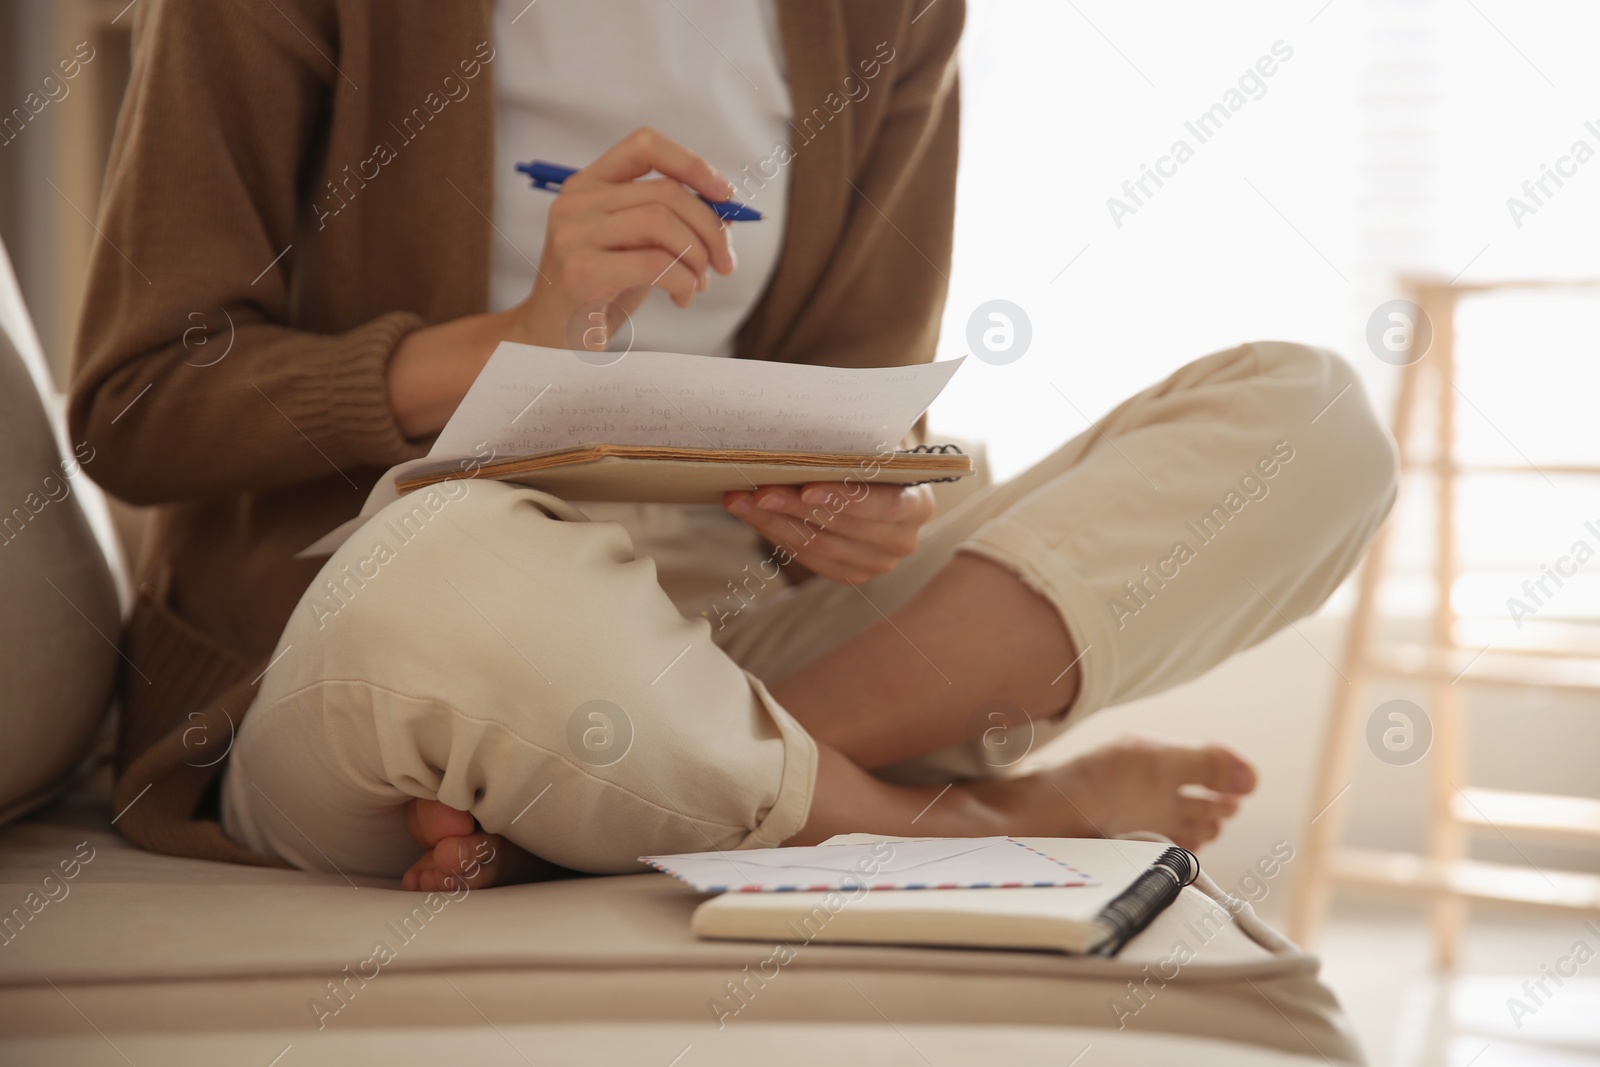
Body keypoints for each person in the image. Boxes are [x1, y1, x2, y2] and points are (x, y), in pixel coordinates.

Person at [70, 0, 1396, 891]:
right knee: (455, 566)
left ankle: (621, 793)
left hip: (732, 626)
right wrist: (520, 339)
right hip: (390, 622)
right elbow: (134, 403)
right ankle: (960, 826)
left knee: (1313, 422)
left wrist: (860, 503)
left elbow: (872, 384)